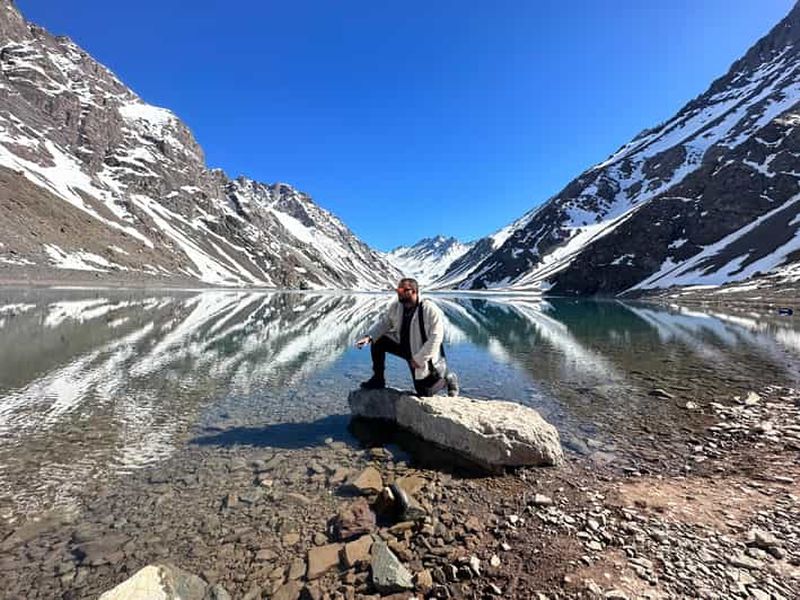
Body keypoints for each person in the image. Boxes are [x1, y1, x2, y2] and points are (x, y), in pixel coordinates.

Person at [356, 278, 459, 396]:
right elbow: (385, 322)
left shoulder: (429, 309)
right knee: (378, 340)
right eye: (398, 290)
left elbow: (436, 338)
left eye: (403, 290)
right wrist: (369, 337)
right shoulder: (397, 306)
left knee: (424, 392)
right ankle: (378, 379)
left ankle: (448, 378)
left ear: (414, 291)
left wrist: (419, 358)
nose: (399, 292)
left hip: (419, 351)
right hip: (403, 346)